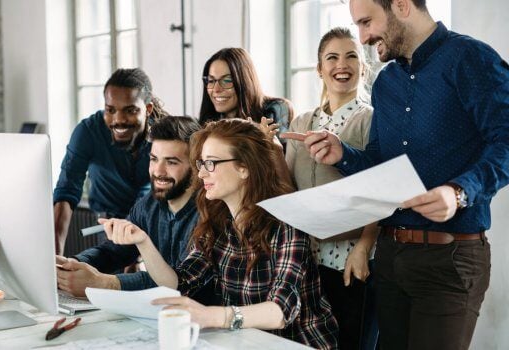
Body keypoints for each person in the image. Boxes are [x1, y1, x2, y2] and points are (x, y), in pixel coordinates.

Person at [283, 0, 509, 349]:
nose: (364, 36)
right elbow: (380, 165)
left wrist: (459, 192)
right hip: (390, 259)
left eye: (366, 22)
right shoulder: (386, 82)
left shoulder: (471, 59)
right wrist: (342, 154)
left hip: (449, 261)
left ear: (402, 6)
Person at [99, 119, 339, 349]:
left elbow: (280, 311)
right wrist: (142, 241)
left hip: (296, 343)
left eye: (211, 163)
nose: (202, 174)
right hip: (244, 342)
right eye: (201, 164)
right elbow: (179, 283)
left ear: (244, 167)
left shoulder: (287, 222)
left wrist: (212, 316)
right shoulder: (217, 221)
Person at [285, 27, 378, 350]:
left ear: (363, 68)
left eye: (352, 56)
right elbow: (286, 185)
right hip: (305, 262)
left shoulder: (371, 120)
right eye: (333, 57)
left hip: (350, 259)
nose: (343, 64)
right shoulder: (302, 123)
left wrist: (365, 246)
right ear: (319, 69)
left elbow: (382, 190)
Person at [55, 116, 201, 297]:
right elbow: (114, 251)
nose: (158, 171)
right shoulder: (148, 205)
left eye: (171, 162)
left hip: (202, 320)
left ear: (196, 166)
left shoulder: (210, 213)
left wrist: (103, 283)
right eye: (154, 159)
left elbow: (175, 284)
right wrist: (70, 265)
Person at [53, 68, 169, 255]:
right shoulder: (88, 132)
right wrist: (55, 259)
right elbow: (66, 191)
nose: (119, 120)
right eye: (111, 110)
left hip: (153, 223)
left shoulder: (165, 135)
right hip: (108, 227)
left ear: (148, 109)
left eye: (130, 110)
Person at [199, 47, 294, 144]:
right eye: (211, 81)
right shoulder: (207, 123)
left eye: (227, 80)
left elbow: (282, 156)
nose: (216, 89)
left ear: (245, 81)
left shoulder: (276, 108)